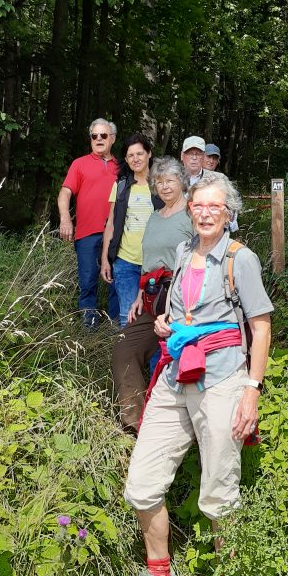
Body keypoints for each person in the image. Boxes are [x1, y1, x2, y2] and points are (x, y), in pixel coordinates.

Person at [124, 171, 273, 576]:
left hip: (222, 381)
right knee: (142, 484)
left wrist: (252, 389)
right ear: (189, 210)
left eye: (215, 206)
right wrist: (162, 324)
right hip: (174, 376)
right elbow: (176, 314)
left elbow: (260, 328)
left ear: (229, 213)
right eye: (198, 205)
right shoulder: (183, 249)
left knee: (219, 494)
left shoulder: (239, 258)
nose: (206, 213)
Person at [112, 157, 193, 433]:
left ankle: (174, 426)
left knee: (173, 358)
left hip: (181, 298)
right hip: (150, 297)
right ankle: (136, 424)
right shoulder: (154, 218)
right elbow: (148, 262)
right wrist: (138, 296)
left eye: (170, 180)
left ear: (182, 181)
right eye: (159, 182)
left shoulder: (192, 216)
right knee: (125, 347)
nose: (164, 186)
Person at [57, 118, 120, 328]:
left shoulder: (122, 167)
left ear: (112, 138)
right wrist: (65, 217)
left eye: (103, 135)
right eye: (95, 136)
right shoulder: (80, 164)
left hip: (117, 234)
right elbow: (65, 192)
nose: (99, 139)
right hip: (87, 232)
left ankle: (115, 329)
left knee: (116, 281)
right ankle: (88, 328)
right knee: (88, 281)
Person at [100, 134, 160, 328]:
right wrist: (105, 259)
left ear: (149, 154)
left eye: (140, 153)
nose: (136, 158)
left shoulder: (162, 186)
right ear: (125, 159)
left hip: (155, 265)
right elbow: (111, 224)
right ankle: (128, 359)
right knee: (128, 317)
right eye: (130, 155)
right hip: (125, 262)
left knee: (154, 317)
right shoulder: (121, 186)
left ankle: (152, 360)